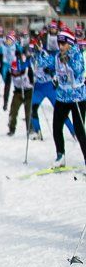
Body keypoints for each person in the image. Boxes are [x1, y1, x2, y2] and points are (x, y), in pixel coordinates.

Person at [47, 30, 86, 167]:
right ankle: (60, 156)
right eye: (59, 43)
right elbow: (48, 63)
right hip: (62, 97)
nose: (61, 46)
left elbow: (79, 69)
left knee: (79, 130)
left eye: (63, 43)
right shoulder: (58, 56)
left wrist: (68, 60)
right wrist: (37, 56)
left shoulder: (77, 54)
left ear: (69, 43)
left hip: (77, 97)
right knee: (56, 127)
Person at [7, 50, 34, 137]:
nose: (15, 73)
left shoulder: (26, 70)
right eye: (13, 71)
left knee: (28, 112)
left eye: (17, 71)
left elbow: (33, 81)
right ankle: (11, 129)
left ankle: (30, 129)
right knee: (13, 111)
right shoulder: (11, 73)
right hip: (18, 92)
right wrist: (5, 100)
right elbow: (6, 87)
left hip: (28, 92)